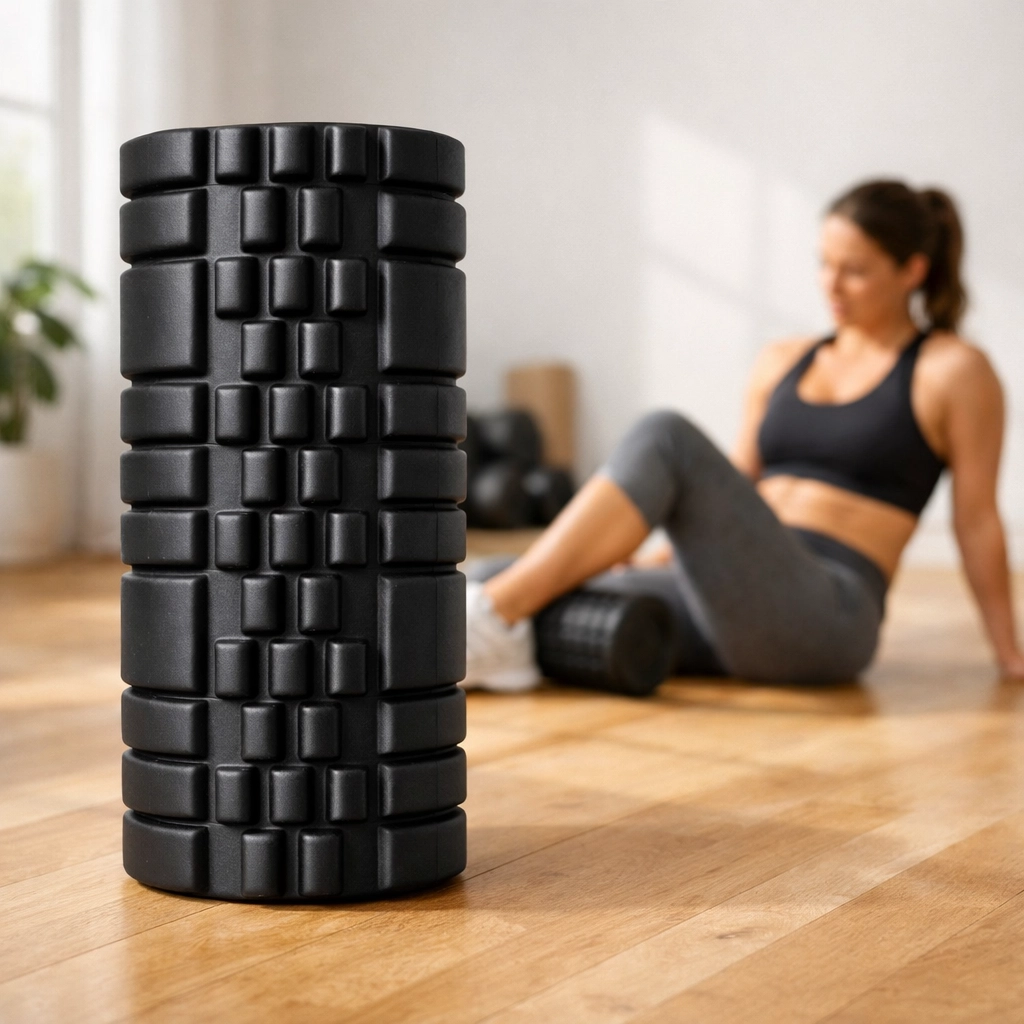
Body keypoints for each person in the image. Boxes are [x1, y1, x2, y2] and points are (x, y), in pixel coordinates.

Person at [463, 179, 1024, 691]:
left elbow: (976, 520)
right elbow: (731, 488)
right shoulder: (783, 359)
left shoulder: (952, 370)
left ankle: (494, 625)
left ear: (913, 271)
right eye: (823, 264)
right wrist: (652, 563)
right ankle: (525, 635)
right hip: (726, 594)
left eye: (855, 270)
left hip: (825, 612)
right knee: (499, 576)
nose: (832, 285)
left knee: (666, 436)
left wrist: (1009, 654)